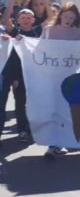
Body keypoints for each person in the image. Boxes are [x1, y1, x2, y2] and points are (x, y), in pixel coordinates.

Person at [37, 3, 80, 160]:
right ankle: (53, 142)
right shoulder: (48, 30)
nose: (69, 20)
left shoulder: (77, 33)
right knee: (52, 109)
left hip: (68, 77)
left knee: (64, 110)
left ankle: (57, 143)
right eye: (66, 16)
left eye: (72, 17)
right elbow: (38, 49)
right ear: (61, 15)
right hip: (50, 77)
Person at [0, 9, 41, 142]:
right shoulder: (14, 33)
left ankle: (27, 129)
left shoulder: (37, 32)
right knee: (11, 103)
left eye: (29, 17)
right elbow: (6, 20)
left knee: (27, 103)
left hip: (29, 74)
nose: (26, 20)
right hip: (12, 72)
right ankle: (16, 131)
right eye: (22, 17)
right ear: (17, 20)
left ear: (33, 20)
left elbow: (50, 19)